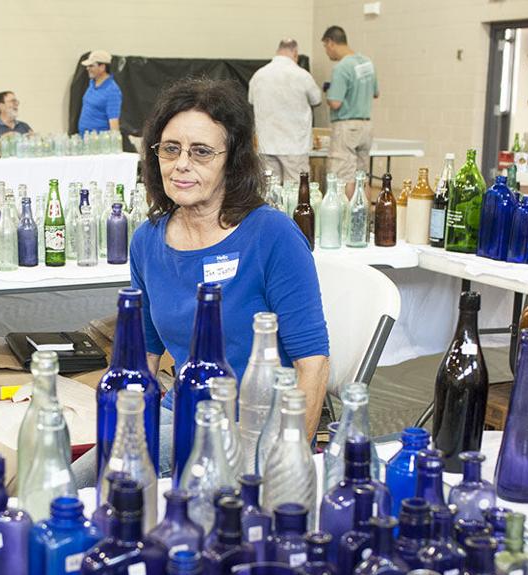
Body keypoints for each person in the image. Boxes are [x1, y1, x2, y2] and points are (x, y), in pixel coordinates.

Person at [130, 77, 330, 477]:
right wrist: (127, 436)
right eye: (171, 149)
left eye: (201, 152)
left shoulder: (271, 236)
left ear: (232, 159)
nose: (182, 164)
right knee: (94, 473)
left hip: (257, 426)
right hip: (184, 413)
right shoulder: (147, 241)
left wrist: (289, 466)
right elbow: (144, 357)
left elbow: (314, 365)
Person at [247, 38, 323, 184]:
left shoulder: (258, 75)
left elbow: (251, 100)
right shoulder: (302, 75)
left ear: (278, 51)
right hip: (295, 146)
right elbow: (316, 100)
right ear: (295, 53)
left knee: (269, 192)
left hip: (267, 144)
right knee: (296, 192)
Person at [321, 25, 378, 196]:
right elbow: (376, 93)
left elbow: (336, 102)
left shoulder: (341, 67)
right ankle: (364, 218)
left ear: (331, 43)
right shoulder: (367, 63)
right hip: (366, 126)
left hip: (346, 127)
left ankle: (345, 221)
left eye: (325, 47)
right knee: (362, 177)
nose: (326, 52)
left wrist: (328, 95)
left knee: (343, 177)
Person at [77, 50, 122, 135]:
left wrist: (115, 144)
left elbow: (114, 122)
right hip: (85, 138)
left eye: (91, 66)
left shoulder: (112, 91)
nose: (87, 68)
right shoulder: (92, 83)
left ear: (102, 67)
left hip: (98, 143)